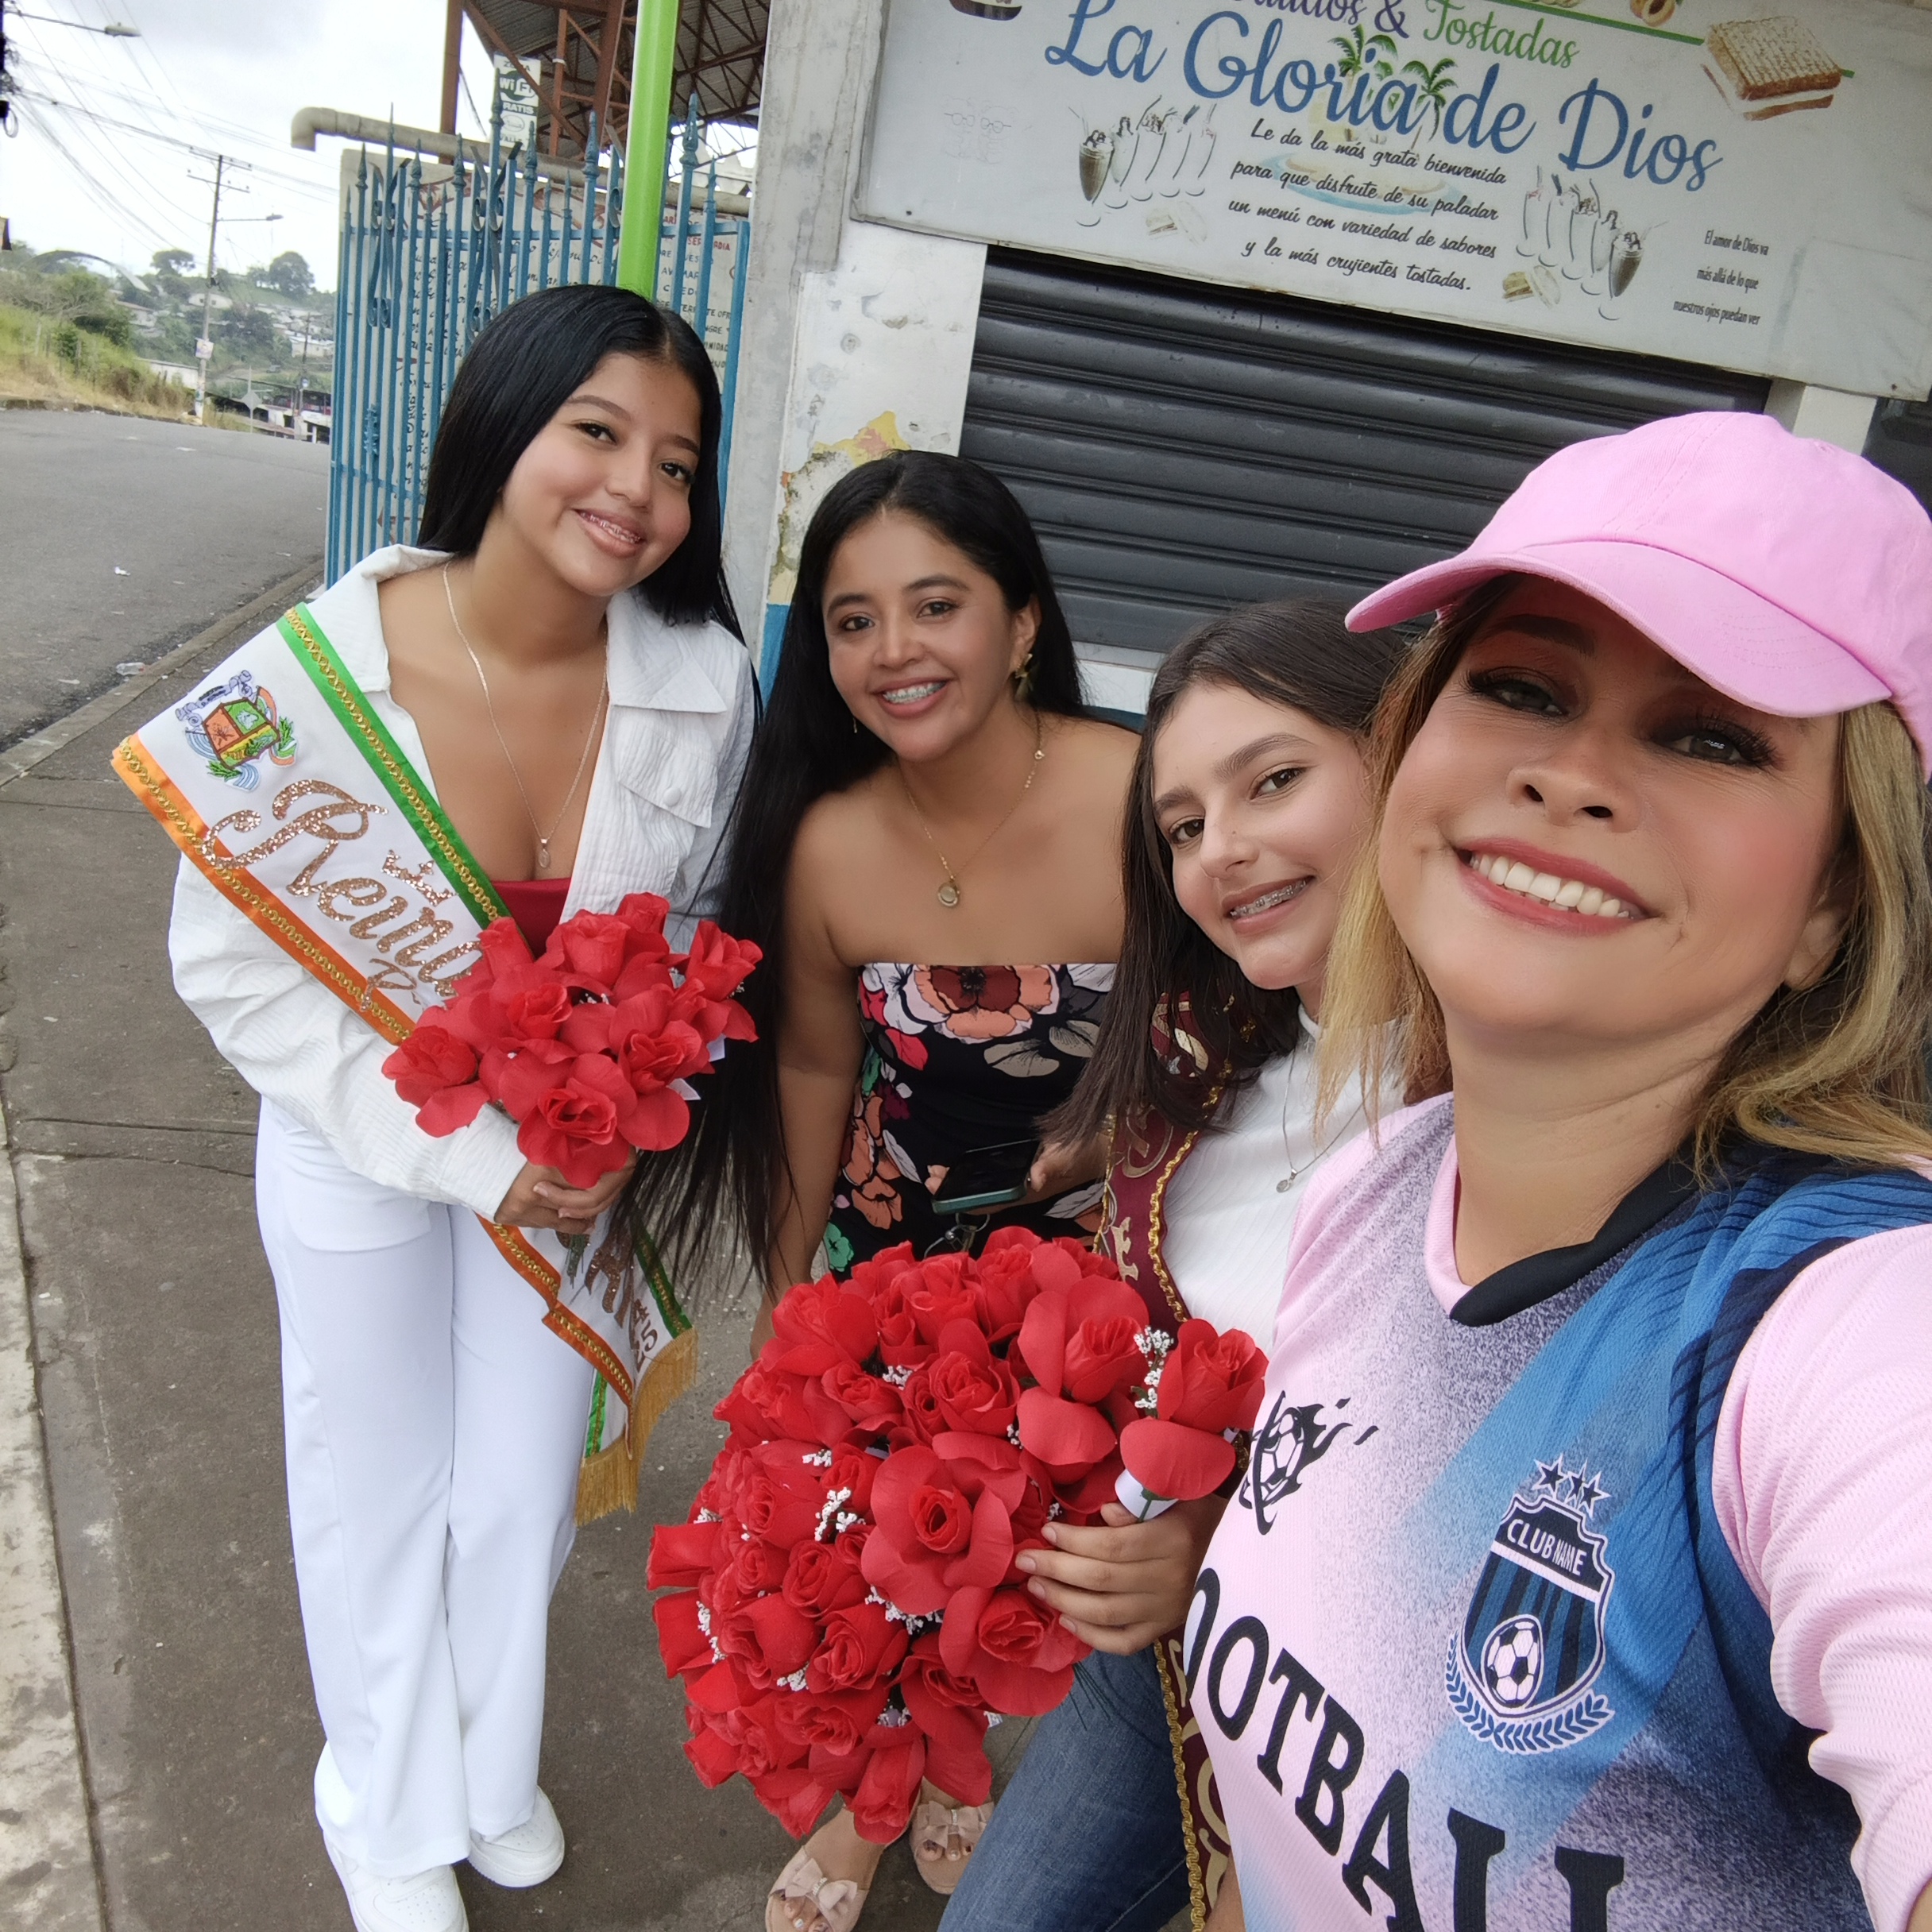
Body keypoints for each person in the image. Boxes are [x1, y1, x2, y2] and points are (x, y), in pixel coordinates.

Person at [1192, 412, 1932, 1932]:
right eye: (1522, 687)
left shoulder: (1844, 1333)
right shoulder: (1375, 1185)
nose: (1572, 775)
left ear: (1835, 905)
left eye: (1712, 735)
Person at [160, 287, 755, 1932]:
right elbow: (231, 965)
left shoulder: (705, 679)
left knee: (517, 1481)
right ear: (502, 424)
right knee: (376, 1479)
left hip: (566, 1169)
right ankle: (382, 1801)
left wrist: (637, 1094)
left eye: (678, 462)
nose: (637, 487)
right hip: (359, 1136)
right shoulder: (307, 682)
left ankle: (486, 1772)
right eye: (598, 432)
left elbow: (704, 925)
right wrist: (472, 1154)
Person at [663, 449, 1137, 1930]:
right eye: (853, 620)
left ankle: (958, 1760)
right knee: (870, 1561)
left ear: (1023, 622)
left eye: (936, 605)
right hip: (889, 1271)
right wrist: (787, 1296)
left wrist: (1137, 1132)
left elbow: (1251, 1034)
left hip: (1094, 1293)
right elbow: (815, 1072)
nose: (894, 651)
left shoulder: (1146, 799)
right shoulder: (827, 838)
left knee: (1021, 1577)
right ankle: (868, 1802)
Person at [937, 601, 1410, 1932]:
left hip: (1350, 1714)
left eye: (1274, 781)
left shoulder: (1512, 1110)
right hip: (1145, 1668)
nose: (1224, 852)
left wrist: (1214, 1547)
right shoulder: (1211, 1058)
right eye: (1185, 827)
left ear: (1409, 759)